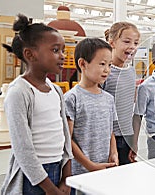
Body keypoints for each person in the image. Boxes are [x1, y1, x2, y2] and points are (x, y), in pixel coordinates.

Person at [1, 14, 73, 195]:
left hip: (59, 167)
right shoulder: (19, 92)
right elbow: (22, 149)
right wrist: (49, 188)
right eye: (56, 50)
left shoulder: (56, 90)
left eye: (63, 50)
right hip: (34, 178)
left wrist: (66, 176)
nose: (62, 56)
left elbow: (65, 135)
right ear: (30, 54)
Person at [64, 38, 118, 178]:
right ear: (82, 63)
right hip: (81, 173)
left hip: (106, 168)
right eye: (102, 64)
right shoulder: (72, 98)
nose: (107, 70)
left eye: (110, 65)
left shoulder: (108, 98)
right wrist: (89, 165)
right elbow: (67, 139)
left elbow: (110, 131)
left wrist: (114, 153)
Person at [102, 22, 140, 164]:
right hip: (108, 138)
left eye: (136, 43)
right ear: (112, 43)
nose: (132, 46)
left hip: (126, 136)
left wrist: (133, 141)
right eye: (126, 41)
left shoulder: (130, 71)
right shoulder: (106, 72)